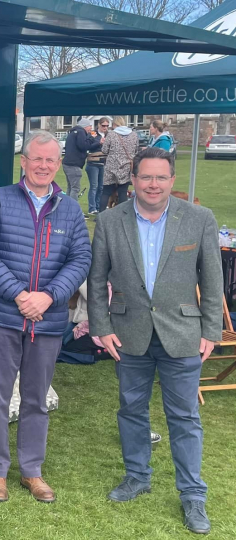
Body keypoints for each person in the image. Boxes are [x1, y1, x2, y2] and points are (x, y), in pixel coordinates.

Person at [87, 147, 223, 535]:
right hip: (128, 334)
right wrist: (100, 325)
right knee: (131, 410)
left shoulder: (199, 219)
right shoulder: (110, 221)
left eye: (161, 177)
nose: (153, 184)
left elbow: (212, 280)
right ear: (132, 179)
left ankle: (193, 494)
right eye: (145, 177)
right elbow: (97, 281)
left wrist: (211, 330)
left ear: (172, 181)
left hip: (184, 334)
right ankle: (137, 477)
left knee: (185, 418)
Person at [0, 130, 91, 504]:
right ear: (23, 162)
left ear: (59, 164)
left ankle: (32, 471)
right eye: (36, 159)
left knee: (37, 398)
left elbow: (81, 259)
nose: (43, 166)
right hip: (2, 316)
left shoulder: (70, 209)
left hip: (49, 320)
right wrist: (20, 294)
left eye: (50, 160)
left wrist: (48, 296)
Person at [100, 116, 138, 211]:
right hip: (126, 166)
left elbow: (104, 150)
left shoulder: (111, 134)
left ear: (114, 124)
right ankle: (122, 215)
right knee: (122, 192)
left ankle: (101, 214)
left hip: (111, 166)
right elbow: (136, 150)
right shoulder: (133, 135)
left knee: (106, 192)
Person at [62, 118, 102, 200]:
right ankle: (73, 209)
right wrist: (91, 138)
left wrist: (96, 142)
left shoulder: (73, 132)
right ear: (85, 126)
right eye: (90, 126)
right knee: (75, 188)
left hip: (67, 163)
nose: (91, 128)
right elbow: (83, 146)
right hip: (74, 164)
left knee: (70, 187)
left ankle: (67, 208)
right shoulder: (81, 132)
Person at [85, 117, 111, 215]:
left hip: (103, 163)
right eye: (103, 125)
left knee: (101, 187)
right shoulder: (93, 134)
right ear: (99, 125)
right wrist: (98, 143)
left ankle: (99, 206)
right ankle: (92, 208)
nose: (105, 128)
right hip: (93, 163)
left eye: (107, 126)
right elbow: (88, 146)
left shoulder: (109, 135)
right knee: (94, 186)